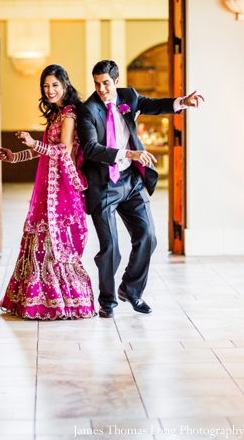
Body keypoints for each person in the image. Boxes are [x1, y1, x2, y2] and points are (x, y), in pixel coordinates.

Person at [77, 60, 204, 318]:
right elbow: (90, 149)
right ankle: (107, 300)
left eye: (106, 83)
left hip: (131, 181)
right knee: (111, 247)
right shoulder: (88, 110)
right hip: (104, 185)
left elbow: (153, 105)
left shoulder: (129, 96)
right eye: (97, 84)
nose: (101, 89)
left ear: (116, 81)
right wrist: (129, 153)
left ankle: (131, 290)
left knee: (148, 236)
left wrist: (182, 102)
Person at [0, 64, 96, 320]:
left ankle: (69, 302)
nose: (49, 90)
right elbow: (39, 150)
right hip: (47, 187)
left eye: (54, 85)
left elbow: (62, 151)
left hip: (63, 187)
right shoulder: (55, 115)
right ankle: (36, 301)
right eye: (45, 85)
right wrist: (15, 157)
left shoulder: (70, 115)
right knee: (41, 239)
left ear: (65, 85)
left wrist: (34, 143)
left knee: (58, 242)